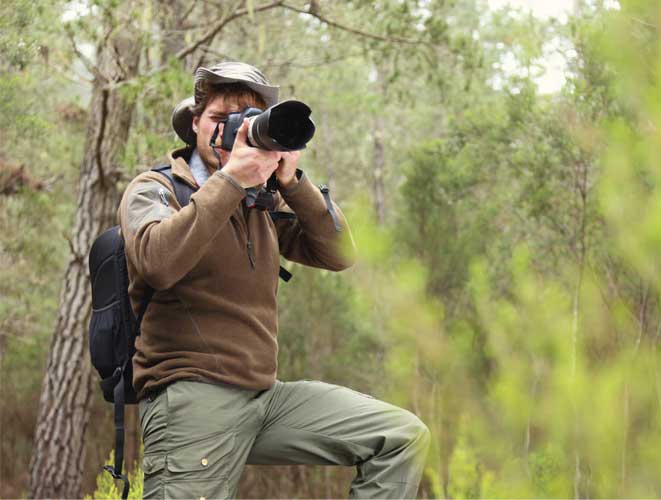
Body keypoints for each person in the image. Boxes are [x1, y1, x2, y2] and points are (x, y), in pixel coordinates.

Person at [119, 61, 430, 499]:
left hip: (264, 398)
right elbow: (158, 262)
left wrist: (290, 180)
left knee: (399, 436)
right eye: (219, 119)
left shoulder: (260, 202)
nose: (232, 131)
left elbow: (339, 254)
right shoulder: (155, 189)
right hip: (191, 395)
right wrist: (230, 180)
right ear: (194, 124)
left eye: (246, 121)